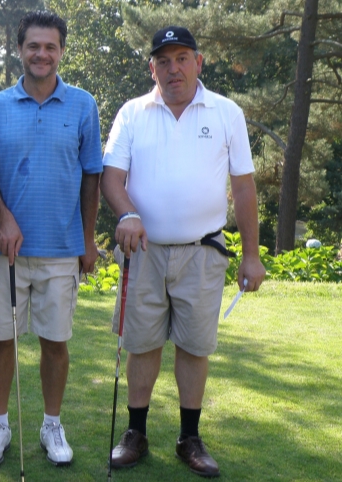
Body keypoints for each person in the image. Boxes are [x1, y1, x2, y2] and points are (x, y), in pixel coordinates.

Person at [101, 26, 266, 478]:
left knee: (194, 346)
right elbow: (111, 178)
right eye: (164, 61)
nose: (173, 68)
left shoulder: (226, 112)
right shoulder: (133, 112)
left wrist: (251, 255)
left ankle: (189, 437)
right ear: (151, 68)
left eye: (181, 58)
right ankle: (135, 432)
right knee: (142, 343)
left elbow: (243, 186)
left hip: (202, 251)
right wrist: (127, 214)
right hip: (144, 251)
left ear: (198, 62)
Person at [0, 11, 103, 468]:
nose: (41, 54)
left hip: (61, 248)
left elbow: (92, 177)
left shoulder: (83, 104)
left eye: (50, 47)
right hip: (3, 251)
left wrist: (88, 242)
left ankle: (52, 423)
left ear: (61, 51)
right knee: (1, 338)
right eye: (34, 46)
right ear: (20, 50)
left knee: (55, 342)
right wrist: (4, 218)